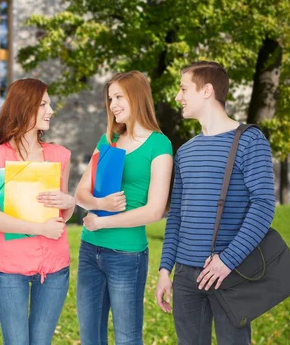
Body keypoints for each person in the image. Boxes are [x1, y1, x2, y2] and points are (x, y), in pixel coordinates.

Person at [155, 61, 275, 344]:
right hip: (185, 276)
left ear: (207, 90)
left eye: (184, 88)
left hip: (229, 272)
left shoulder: (250, 141)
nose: (177, 96)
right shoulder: (184, 152)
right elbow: (176, 217)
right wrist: (165, 270)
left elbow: (263, 206)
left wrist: (227, 261)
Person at [75, 71, 173, 345]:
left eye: (119, 96)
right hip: (89, 250)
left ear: (137, 96)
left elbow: (154, 210)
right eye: (110, 98)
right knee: (90, 337)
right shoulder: (108, 140)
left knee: (128, 338)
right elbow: (80, 192)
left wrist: (103, 221)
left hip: (127, 255)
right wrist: (100, 204)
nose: (113, 104)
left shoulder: (159, 145)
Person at [0, 78, 75, 345]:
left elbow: (62, 214)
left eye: (50, 104)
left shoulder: (60, 155)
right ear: (24, 107)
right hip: (10, 267)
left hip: (54, 266)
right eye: (44, 104)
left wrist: (69, 203)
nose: (51, 110)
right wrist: (39, 229)